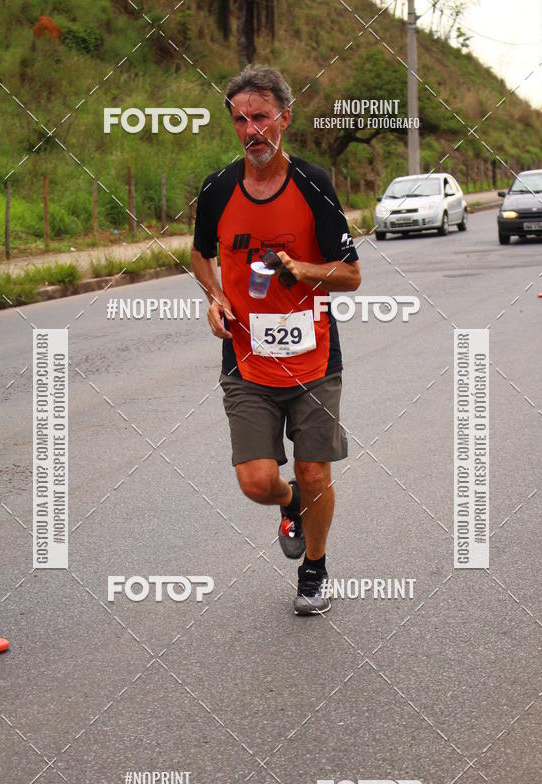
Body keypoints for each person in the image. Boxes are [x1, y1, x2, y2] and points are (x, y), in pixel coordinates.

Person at [191, 65, 361, 615]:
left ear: (284, 118)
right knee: (257, 480)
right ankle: (289, 506)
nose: (251, 130)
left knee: (315, 471)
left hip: (313, 357)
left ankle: (315, 568)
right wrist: (215, 298)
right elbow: (200, 254)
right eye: (240, 120)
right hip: (246, 359)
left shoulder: (314, 184)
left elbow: (351, 273)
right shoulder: (218, 188)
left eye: (261, 116)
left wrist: (304, 269)